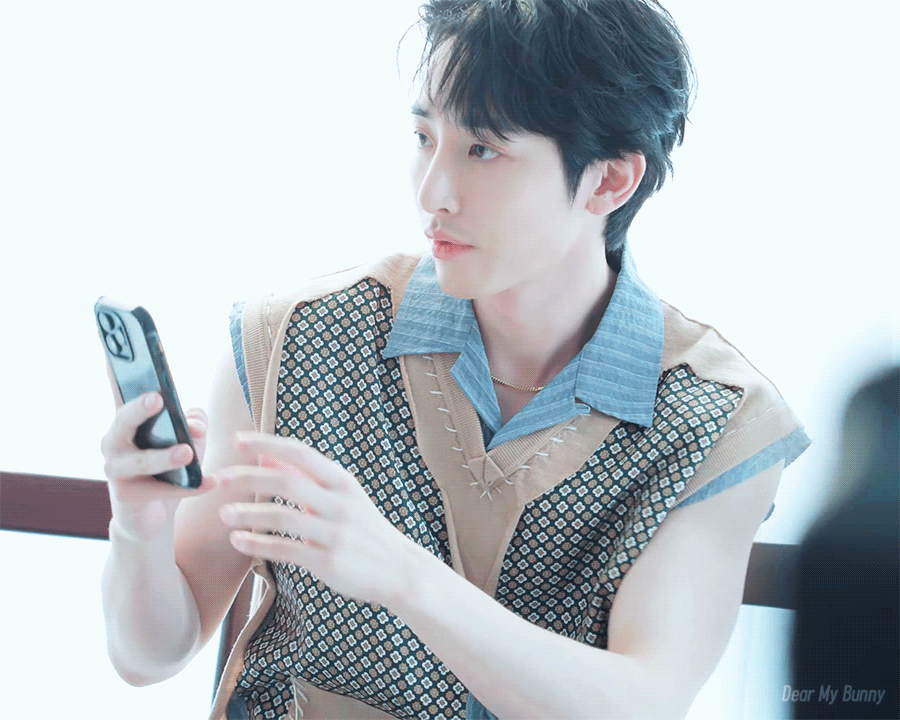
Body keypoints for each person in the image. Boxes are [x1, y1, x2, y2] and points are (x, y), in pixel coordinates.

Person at [100, 2, 811, 718]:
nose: (431, 193)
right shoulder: (293, 338)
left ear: (609, 180)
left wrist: (402, 573)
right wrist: (139, 526)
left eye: (483, 150)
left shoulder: (717, 422)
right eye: (423, 137)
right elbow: (149, 655)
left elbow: (642, 704)